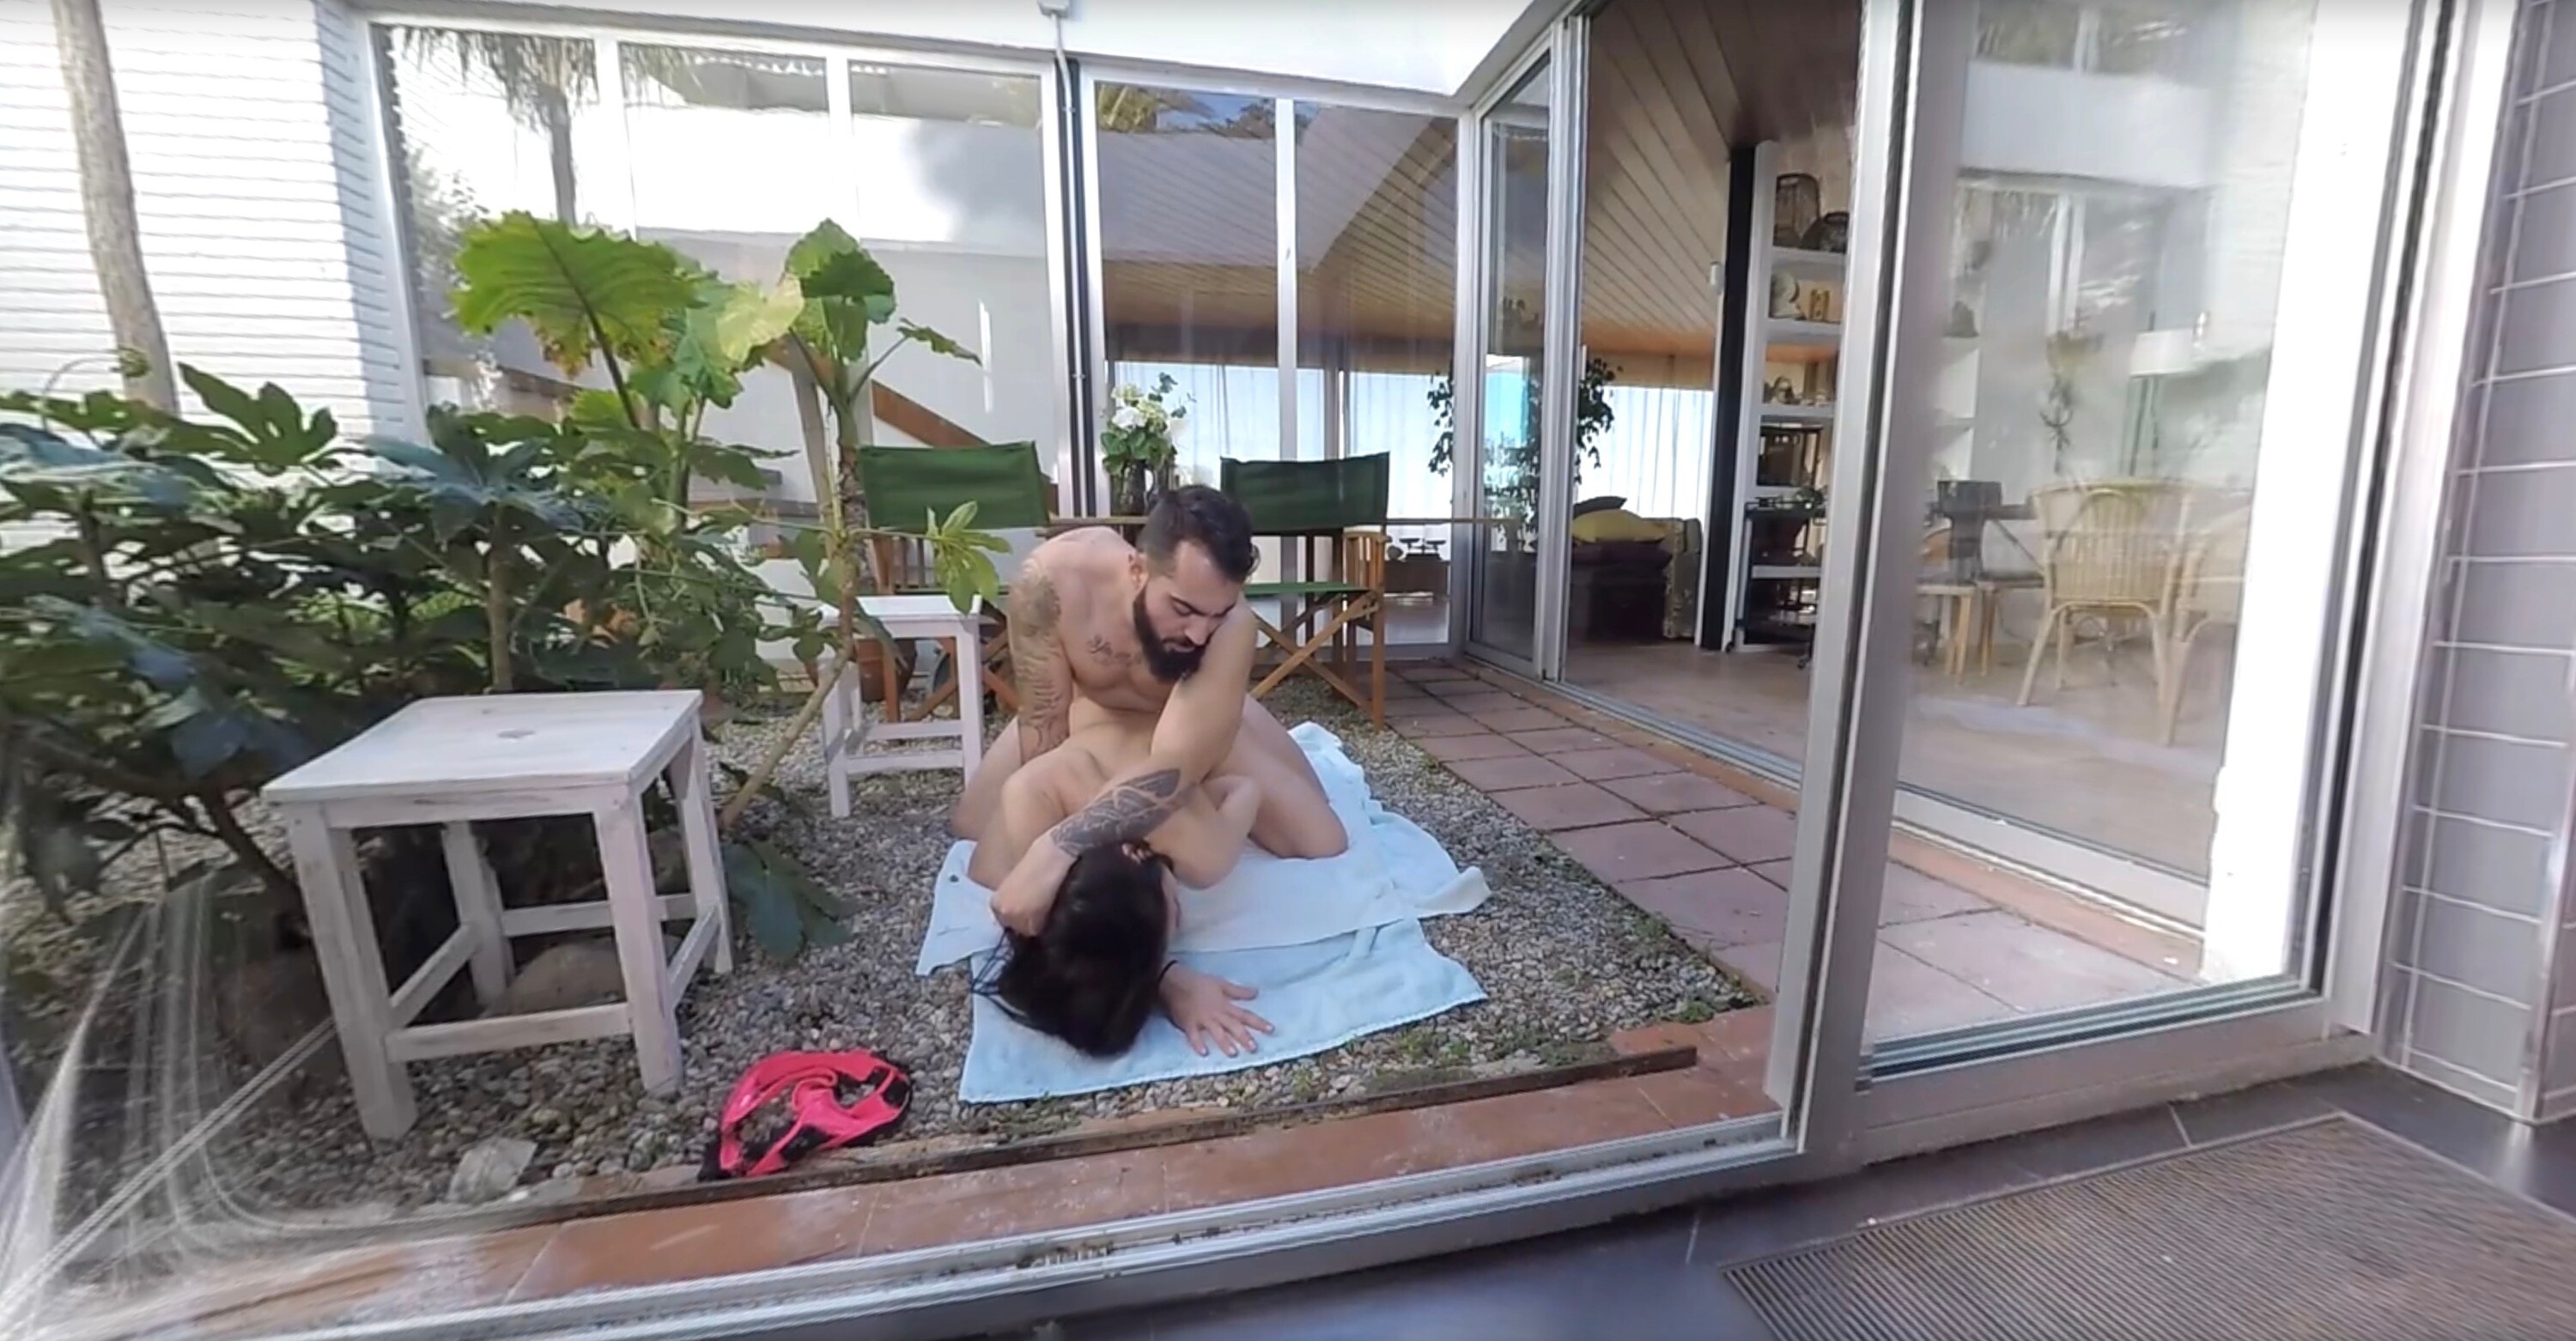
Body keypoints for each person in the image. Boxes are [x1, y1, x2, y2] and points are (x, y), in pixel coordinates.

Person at [952, 486, 1346, 932]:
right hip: (1090, 707)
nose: (1199, 635)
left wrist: (1059, 845)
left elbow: (1175, 766)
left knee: (1322, 839)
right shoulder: (1052, 582)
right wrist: (1047, 829)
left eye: (1216, 615)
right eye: (1183, 609)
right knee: (975, 824)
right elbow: (1044, 720)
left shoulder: (1234, 626)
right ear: (1137, 570)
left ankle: (1230, 749)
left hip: (1193, 714)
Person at [965, 701, 1341, 1057]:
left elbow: (1244, 788)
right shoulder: (1016, 862)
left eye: (1175, 908)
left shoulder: (1197, 847)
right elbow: (1047, 936)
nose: (1180, 918)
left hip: (1174, 720)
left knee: (1324, 838)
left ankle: (1230, 718)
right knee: (968, 823)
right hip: (1083, 728)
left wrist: (1203, 793)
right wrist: (1167, 981)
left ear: (1141, 854)